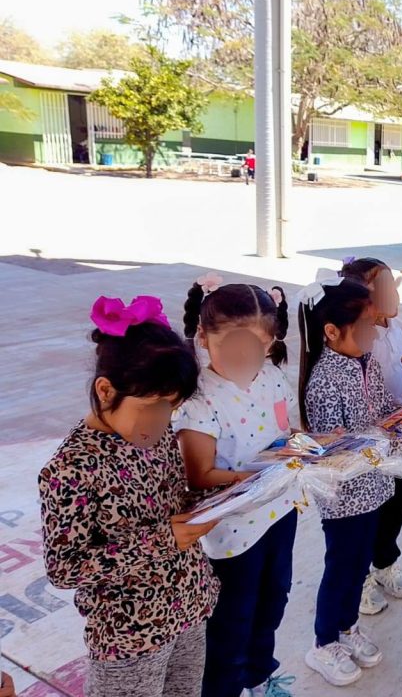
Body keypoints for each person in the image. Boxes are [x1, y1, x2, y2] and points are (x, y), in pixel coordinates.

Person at [39, 295, 219, 697]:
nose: (164, 419)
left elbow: (176, 501)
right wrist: (163, 541)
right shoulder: (71, 468)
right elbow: (64, 568)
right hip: (130, 637)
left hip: (189, 608)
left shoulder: (156, 436)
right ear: (106, 391)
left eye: (172, 407)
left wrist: (223, 498)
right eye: (153, 406)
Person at [174, 275, 298, 697]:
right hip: (233, 535)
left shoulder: (272, 377)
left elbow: (285, 431)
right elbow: (199, 475)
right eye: (235, 343)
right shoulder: (200, 401)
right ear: (205, 338)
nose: (248, 354)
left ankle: (260, 677)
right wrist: (251, 478)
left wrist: (311, 448)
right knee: (232, 621)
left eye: (259, 345)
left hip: (280, 512)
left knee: (273, 601)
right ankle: (225, 688)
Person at [298, 274, 402, 687]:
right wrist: (384, 443)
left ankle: (347, 629)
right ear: (331, 332)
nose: (370, 333)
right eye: (362, 327)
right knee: (341, 569)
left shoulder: (364, 363)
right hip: (346, 499)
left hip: (375, 488)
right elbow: (335, 451)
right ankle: (323, 641)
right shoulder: (325, 380)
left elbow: (382, 409)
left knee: (359, 563)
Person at [339, 258, 402, 616]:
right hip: (372, 438)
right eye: (382, 286)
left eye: (392, 284)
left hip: (400, 431)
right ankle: (359, 578)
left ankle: (384, 562)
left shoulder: (398, 327)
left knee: (401, 500)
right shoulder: (359, 337)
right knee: (372, 509)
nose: (392, 292)